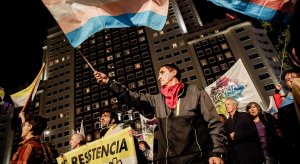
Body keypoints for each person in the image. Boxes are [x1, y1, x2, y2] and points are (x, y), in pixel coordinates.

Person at [94, 63, 227, 164]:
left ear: (174, 72)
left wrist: (217, 152)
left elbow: (214, 123)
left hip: (196, 159)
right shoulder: (157, 100)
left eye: (162, 72)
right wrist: (109, 82)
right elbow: (132, 97)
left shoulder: (195, 91)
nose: (159, 77)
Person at [224, 97, 265, 164]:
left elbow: (253, 132)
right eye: (225, 105)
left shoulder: (245, 116)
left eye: (228, 104)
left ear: (235, 105)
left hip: (252, 156)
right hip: (239, 159)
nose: (226, 106)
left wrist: (237, 135)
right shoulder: (226, 123)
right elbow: (229, 142)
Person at [273, 69, 300, 163]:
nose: (291, 81)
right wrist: (277, 92)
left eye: (293, 77)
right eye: (287, 80)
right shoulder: (287, 100)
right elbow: (280, 106)